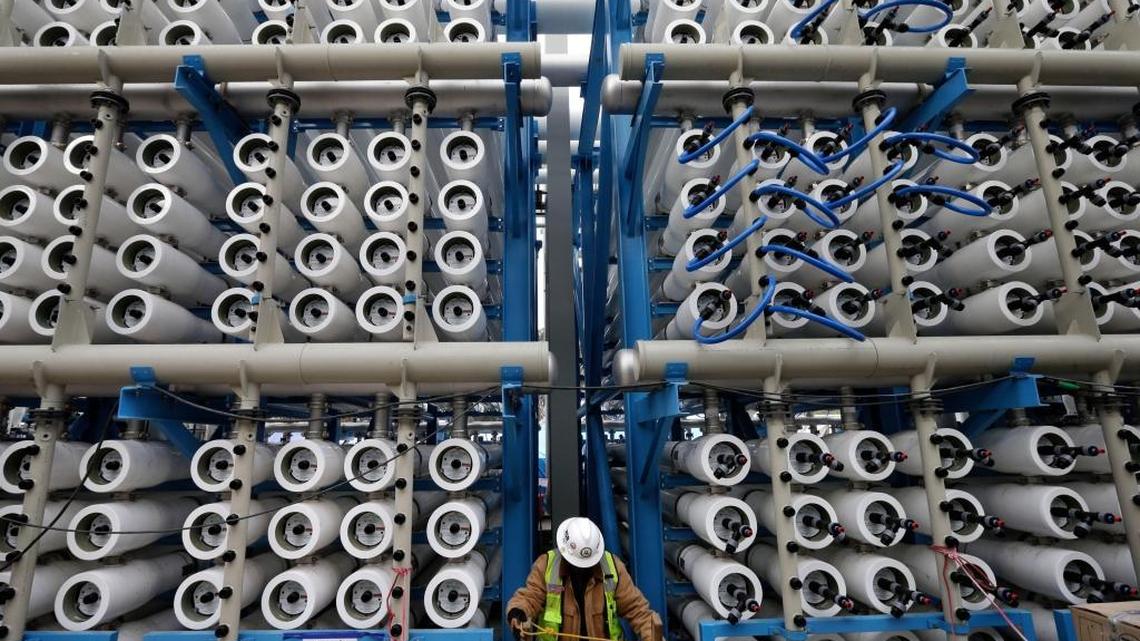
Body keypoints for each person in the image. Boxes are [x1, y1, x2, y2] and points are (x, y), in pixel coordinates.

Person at [506, 517, 663, 641]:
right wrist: (518, 611)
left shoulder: (612, 568)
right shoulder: (546, 566)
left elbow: (637, 610)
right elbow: (530, 596)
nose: (581, 568)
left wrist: (652, 635)